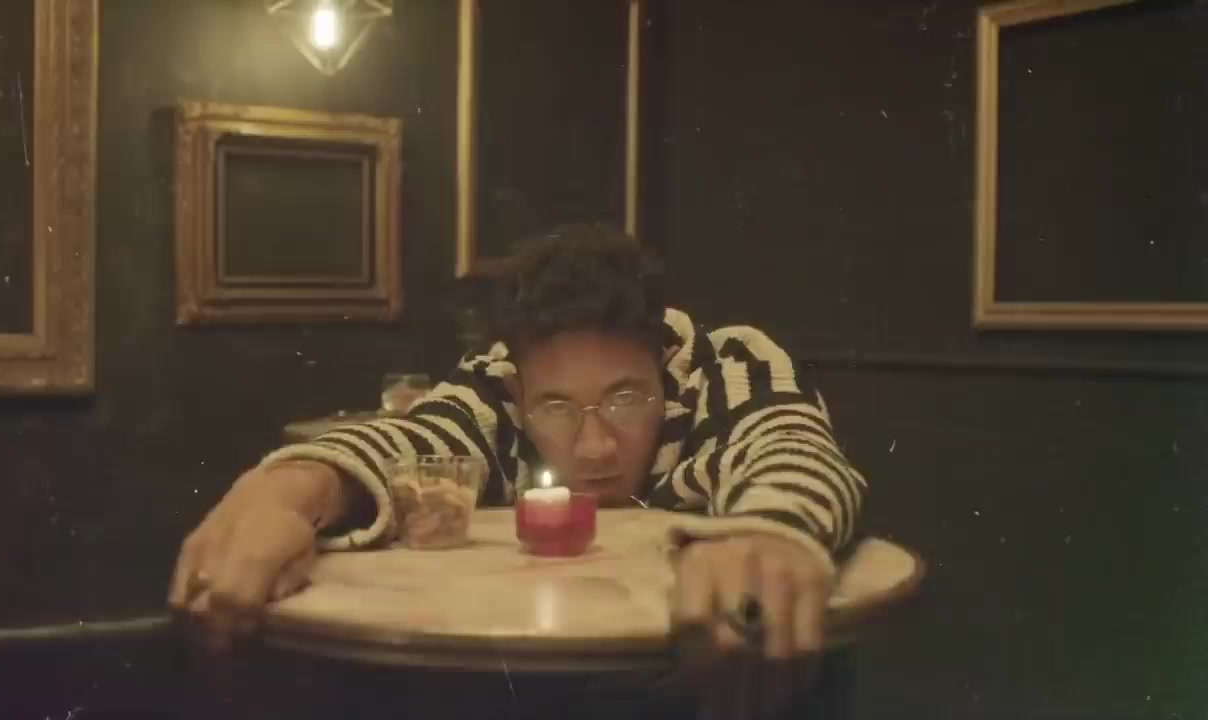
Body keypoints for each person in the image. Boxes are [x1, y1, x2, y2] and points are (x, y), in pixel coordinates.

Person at [169, 223, 867, 710]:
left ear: (665, 367)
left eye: (625, 399)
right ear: (518, 390)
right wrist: (292, 488)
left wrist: (764, 530)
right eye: (556, 408)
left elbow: (788, 442)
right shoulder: (496, 383)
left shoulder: (727, 362)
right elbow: (421, 436)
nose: (595, 447)